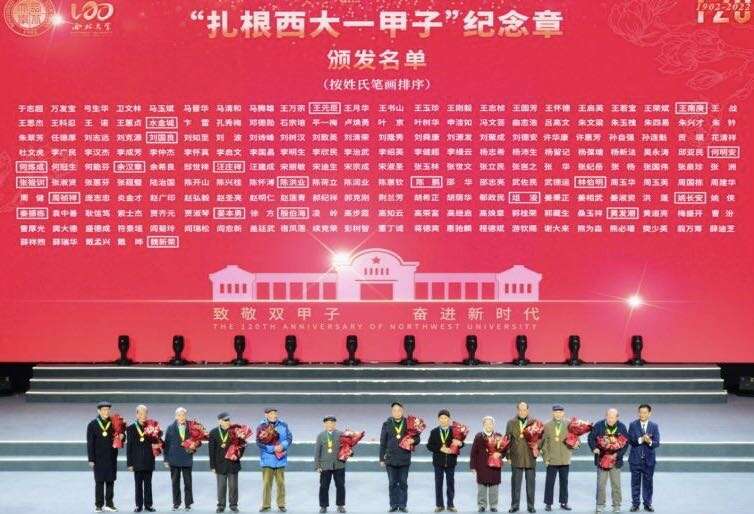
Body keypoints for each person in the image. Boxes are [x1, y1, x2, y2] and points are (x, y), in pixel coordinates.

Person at [379, 401, 420, 513]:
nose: (397, 412)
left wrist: (413, 440)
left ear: (402, 411)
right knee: (392, 483)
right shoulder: (386, 424)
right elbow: (383, 442)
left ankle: (402, 505)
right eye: (394, 410)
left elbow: (417, 438)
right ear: (391, 412)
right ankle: (393, 505)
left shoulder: (409, 424)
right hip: (390, 459)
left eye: (399, 410)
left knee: (403, 483)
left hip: (404, 458)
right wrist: (381, 458)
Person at [588, 408, 630, 514]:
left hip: (615, 461)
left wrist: (617, 455)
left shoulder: (622, 427)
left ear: (617, 417)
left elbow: (625, 444)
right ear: (605, 416)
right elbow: (591, 438)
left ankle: (616, 505)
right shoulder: (599, 425)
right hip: (602, 460)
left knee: (616, 484)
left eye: (613, 417)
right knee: (601, 484)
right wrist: (594, 448)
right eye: (608, 417)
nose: (610, 419)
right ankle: (600, 505)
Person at [87, 400, 122, 512]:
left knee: (110, 480)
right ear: (99, 411)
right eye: (104, 410)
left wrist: (122, 437)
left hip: (111, 457)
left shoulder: (114, 423)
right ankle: (99, 505)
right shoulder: (92, 424)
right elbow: (90, 443)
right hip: (98, 458)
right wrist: (91, 459)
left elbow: (120, 437)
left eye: (108, 410)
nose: (106, 412)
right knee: (99, 481)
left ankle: (109, 504)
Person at [426, 409, 462, 512]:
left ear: (449, 419)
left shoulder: (455, 431)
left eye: (445, 418)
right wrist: (439, 448)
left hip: (451, 461)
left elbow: (461, 443)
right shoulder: (434, 432)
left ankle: (450, 504)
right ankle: (439, 505)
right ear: (438, 419)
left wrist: (460, 444)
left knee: (450, 483)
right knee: (438, 484)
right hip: (438, 462)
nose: (443, 420)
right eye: (441, 418)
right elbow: (429, 446)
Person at [258, 407, 293, 512]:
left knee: (281, 483)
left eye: (275, 413)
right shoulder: (261, 427)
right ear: (266, 415)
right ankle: (266, 505)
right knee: (266, 483)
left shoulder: (283, 425)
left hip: (280, 459)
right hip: (267, 460)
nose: (274, 415)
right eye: (272, 413)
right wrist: (273, 448)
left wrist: (282, 446)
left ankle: (281, 504)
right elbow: (259, 443)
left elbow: (289, 438)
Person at [540, 405, 574, 512]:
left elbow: (575, 438)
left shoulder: (569, 424)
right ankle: (548, 503)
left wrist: (576, 444)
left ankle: (564, 502)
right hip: (552, 459)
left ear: (563, 413)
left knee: (564, 482)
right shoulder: (547, 425)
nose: (558, 414)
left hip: (564, 458)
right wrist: (546, 458)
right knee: (549, 482)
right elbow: (544, 443)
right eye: (556, 412)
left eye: (560, 412)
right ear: (553, 413)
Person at [505, 402, 537, 513]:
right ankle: (515, 505)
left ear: (528, 411)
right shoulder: (511, 422)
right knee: (515, 484)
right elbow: (507, 440)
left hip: (530, 456)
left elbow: (540, 438)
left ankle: (531, 506)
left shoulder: (534, 422)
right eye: (520, 410)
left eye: (524, 410)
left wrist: (537, 448)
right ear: (517, 410)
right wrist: (508, 456)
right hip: (516, 456)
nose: (522, 412)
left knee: (531, 484)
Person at [209, 412, 245, 513]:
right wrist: (212, 466)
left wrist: (237, 455)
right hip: (220, 464)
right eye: (225, 420)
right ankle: (221, 505)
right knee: (221, 486)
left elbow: (241, 446)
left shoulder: (235, 431)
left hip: (233, 464)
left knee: (233, 487)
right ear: (219, 421)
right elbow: (211, 451)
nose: (227, 422)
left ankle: (233, 505)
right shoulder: (213, 432)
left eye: (228, 420)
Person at [628, 404, 660, 512]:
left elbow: (656, 443)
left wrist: (649, 441)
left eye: (645, 412)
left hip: (649, 461)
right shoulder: (633, 425)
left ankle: (647, 504)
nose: (642, 414)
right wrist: (641, 439)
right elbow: (630, 441)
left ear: (649, 413)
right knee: (635, 483)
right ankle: (635, 504)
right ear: (638, 413)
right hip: (635, 460)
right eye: (640, 412)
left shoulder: (654, 426)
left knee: (648, 483)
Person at [164, 406, 194, 511]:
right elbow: (166, 445)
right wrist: (166, 459)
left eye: (183, 415)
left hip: (186, 458)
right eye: (179, 415)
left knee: (188, 483)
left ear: (186, 416)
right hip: (174, 459)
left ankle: (188, 504)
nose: (181, 417)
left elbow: (196, 441)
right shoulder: (170, 428)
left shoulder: (192, 428)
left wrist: (194, 447)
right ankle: (176, 503)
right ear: (176, 416)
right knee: (175, 482)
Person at [469, 416, 502, 513]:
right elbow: (473, 453)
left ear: (493, 425)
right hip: (482, 466)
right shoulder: (478, 437)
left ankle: (493, 505)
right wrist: (473, 466)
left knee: (494, 487)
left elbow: (503, 450)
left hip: (494, 466)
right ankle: (482, 505)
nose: (488, 425)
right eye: (486, 423)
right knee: (482, 488)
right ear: (483, 425)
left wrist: (500, 454)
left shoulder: (498, 436)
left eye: (490, 423)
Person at [127, 404, 156, 512]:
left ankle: (148, 505)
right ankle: (138, 505)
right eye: (141, 413)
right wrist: (129, 463)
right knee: (138, 485)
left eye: (145, 413)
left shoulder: (151, 427)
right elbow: (129, 447)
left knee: (148, 484)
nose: (143, 415)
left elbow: (156, 442)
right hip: (137, 462)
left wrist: (157, 438)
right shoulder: (131, 428)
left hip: (148, 460)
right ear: (137, 414)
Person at [314, 415, 346, 513]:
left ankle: (340, 505)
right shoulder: (321, 436)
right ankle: (323, 506)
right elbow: (317, 452)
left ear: (335, 424)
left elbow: (346, 447)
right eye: (327, 423)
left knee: (340, 486)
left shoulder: (341, 434)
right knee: (324, 486)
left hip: (339, 465)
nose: (330, 424)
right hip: (325, 466)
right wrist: (317, 466)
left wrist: (349, 452)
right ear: (324, 424)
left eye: (332, 423)